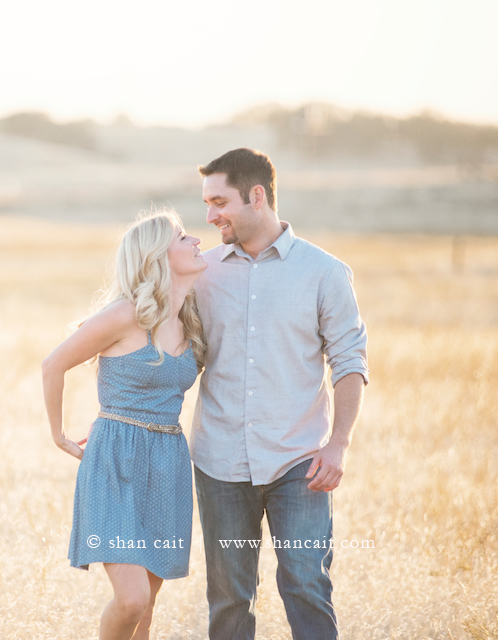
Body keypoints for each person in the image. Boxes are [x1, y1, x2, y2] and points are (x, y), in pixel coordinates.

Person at [191, 148, 369, 640]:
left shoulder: (324, 272)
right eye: (206, 204)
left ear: (256, 196)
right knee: (229, 598)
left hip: (300, 462)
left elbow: (349, 360)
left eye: (219, 202)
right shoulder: (200, 273)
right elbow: (176, 352)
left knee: (306, 585)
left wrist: (339, 443)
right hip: (219, 461)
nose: (210, 216)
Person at [42, 210, 207, 640]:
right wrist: (58, 434)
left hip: (168, 464)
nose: (197, 241)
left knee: (147, 609)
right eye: (183, 237)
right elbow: (54, 364)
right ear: (158, 256)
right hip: (115, 461)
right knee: (131, 598)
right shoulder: (126, 314)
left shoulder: (190, 321)